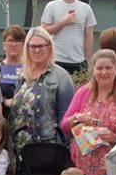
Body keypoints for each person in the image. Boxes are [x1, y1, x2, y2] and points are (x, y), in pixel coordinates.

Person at [9, 26, 75, 155]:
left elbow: (66, 117)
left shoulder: (61, 77)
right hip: (20, 152)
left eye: (41, 46)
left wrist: (59, 150)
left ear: (49, 47)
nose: (37, 50)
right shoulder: (23, 76)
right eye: (32, 46)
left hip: (47, 150)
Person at [40, 0, 95, 75]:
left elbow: (89, 36)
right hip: (56, 60)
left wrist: (88, 60)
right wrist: (63, 22)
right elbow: (44, 32)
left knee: (78, 90)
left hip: (78, 61)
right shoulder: (51, 6)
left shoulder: (86, 8)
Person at [0, 25, 26, 110]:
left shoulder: (31, 70)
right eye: (10, 40)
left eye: (18, 41)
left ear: (24, 45)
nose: (13, 44)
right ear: (4, 45)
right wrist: (5, 101)